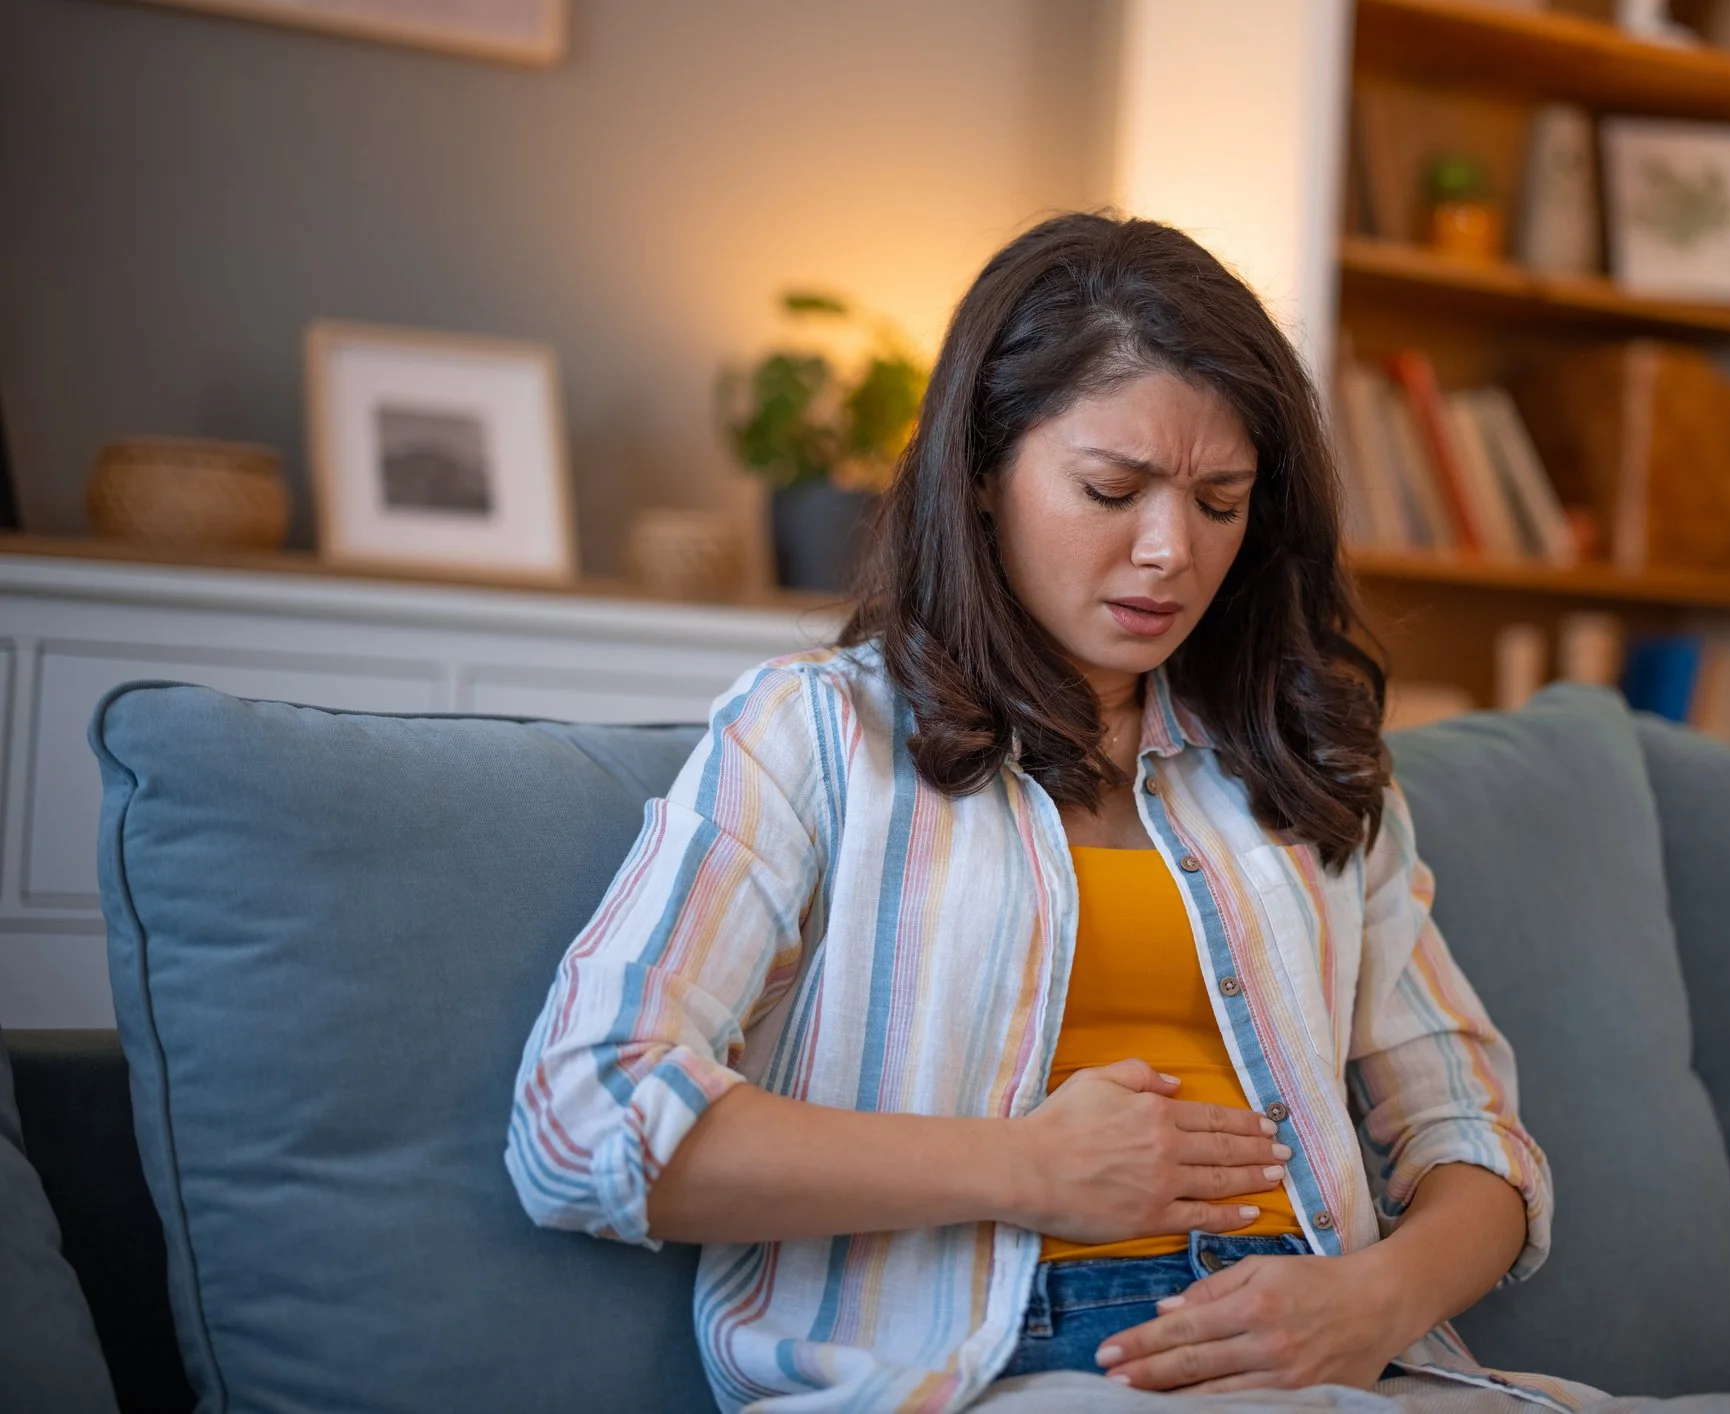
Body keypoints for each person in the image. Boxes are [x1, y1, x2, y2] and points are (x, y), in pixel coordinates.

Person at [507, 214, 1590, 1412]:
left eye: (1221, 501)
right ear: (980, 471)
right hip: (992, 1366)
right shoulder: (814, 734)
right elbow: (581, 1115)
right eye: (1110, 489)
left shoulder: (1305, 762)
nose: (1169, 552)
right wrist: (1024, 1166)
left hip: (1329, 1350)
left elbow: (1475, 1141)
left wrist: (1373, 1301)